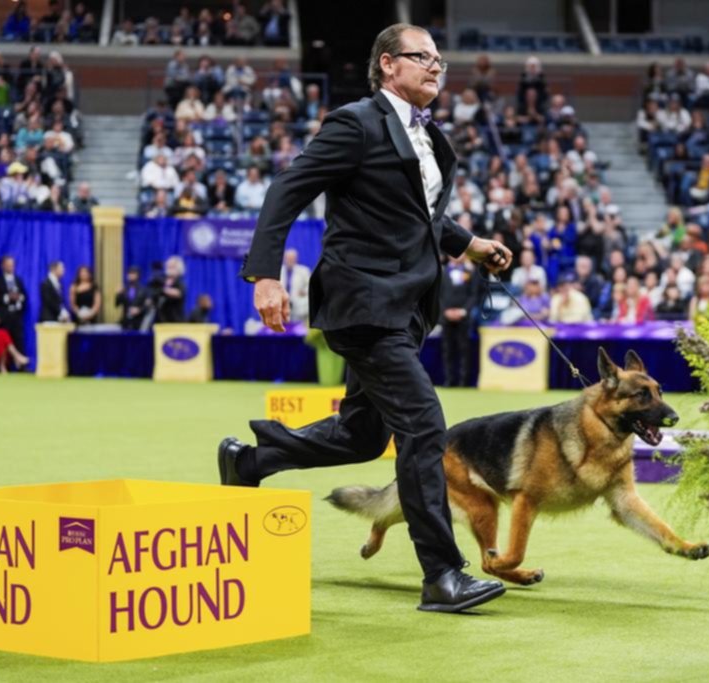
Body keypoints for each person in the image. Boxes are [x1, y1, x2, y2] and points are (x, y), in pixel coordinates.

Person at [218, 23, 511, 614]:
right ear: (386, 65)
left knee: (362, 433)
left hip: (406, 307)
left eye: (438, 60)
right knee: (425, 426)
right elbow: (288, 188)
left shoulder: (428, 137)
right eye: (420, 57)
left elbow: (418, 216)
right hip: (363, 302)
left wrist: (471, 243)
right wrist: (266, 274)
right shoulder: (355, 122)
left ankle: (251, 460)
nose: (434, 67)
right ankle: (442, 575)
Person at [440, 253, 477, 387]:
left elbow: (474, 294)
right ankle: (449, 380)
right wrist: (445, 311)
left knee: (464, 350)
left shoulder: (470, 272)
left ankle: (464, 382)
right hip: (446, 316)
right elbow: (438, 295)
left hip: (463, 318)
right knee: (448, 350)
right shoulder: (442, 272)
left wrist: (463, 311)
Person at [0, 255, 27, 352]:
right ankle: (4, 365)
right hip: (4, 315)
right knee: (4, 341)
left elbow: (25, 296)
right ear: (3, 266)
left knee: (19, 340)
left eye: (12, 265)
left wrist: (19, 298)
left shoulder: (18, 280)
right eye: (8, 265)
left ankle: (21, 365)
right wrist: (8, 297)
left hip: (17, 315)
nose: (11, 267)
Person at [280, 248, 311, 322]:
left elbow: (310, 286)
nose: (290, 260)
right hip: (281, 304)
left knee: (297, 326)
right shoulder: (279, 271)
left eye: (292, 258)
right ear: (284, 259)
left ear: (296, 259)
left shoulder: (304, 271)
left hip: (298, 305)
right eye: (288, 258)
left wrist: (304, 291)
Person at [156, 255, 186, 323]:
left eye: (172, 267)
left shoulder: (180, 283)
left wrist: (163, 290)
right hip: (161, 320)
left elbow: (178, 293)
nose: (169, 269)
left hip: (175, 321)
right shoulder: (162, 281)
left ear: (178, 269)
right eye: (168, 267)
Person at [115, 266, 147, 330]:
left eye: (133, 273)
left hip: (139, 321)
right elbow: (117, 304)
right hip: (126, 321)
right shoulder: (124, 289)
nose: (131, 275)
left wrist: (139, 310)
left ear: (138, 275)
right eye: (129, 273)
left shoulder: (143, 289)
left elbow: (147, 306)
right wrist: (118, 294)